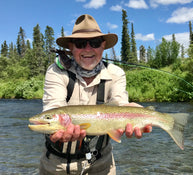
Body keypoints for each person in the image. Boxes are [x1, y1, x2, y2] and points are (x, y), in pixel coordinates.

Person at [39, 14, 152, 175]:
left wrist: (135, 112)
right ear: (70, 47)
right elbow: (53, 107)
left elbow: (119, 105)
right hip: (56, 165)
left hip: (101, 164)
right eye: (79, 43)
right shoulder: (56, 71)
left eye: (95, 43)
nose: (88, 49)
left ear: (103, 46)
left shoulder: (116, 73)